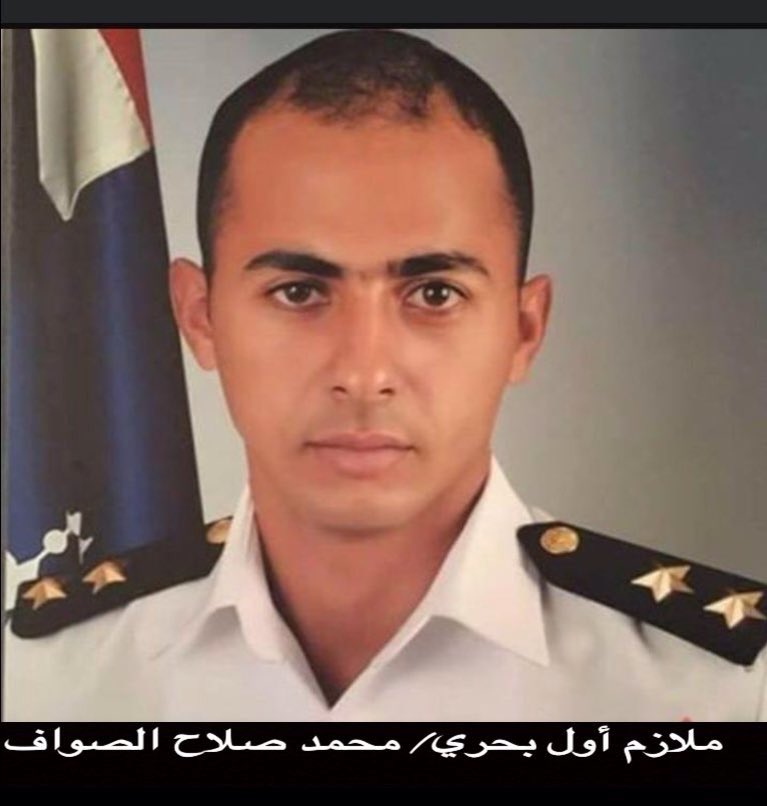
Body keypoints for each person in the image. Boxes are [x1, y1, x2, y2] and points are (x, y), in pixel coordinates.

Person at [6, 29, 766, 721]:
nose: (363, 372)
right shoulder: (43, 681)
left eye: (434, 294)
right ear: (199, 316)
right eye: (298, 292)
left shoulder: (723, 695)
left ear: (523, 329)